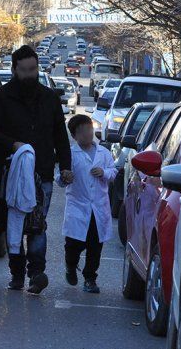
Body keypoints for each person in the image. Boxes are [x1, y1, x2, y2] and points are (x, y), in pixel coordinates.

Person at [0, 44, 73, 295]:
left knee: (37, 223)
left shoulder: (49, 98)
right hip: (10, 173)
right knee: (13, 222)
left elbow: (60, 136)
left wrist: (66, 167)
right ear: (14, 70)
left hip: (42, 173)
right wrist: (13, 144)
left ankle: (36, 273)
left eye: (33, 69)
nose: (29, 75)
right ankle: (17, 273)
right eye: (24, 70)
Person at [60, 114, 116, 293]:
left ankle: (90, 279)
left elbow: (113, 172)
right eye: (82, 131)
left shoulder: (103, 153)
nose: (87, 134)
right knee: (73, 244)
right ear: (74, 136)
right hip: (78, 206)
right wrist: (64, 177)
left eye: (89, 129)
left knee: (95, 246)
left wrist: (104, 173)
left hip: (98, 208)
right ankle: (70, 265)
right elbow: (59, 177)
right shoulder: (70, 154)